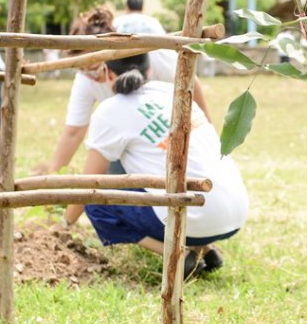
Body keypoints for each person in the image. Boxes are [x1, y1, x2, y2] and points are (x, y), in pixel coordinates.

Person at [63, 53, 248, 278]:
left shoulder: (110, 110)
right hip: (236, 214)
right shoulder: (173, 91)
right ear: (149, 70)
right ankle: (206, 250)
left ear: (108, 72)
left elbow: (88, 186)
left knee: (96, 202)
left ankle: (180, 256)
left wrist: (64, 224)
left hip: (198, 220)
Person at [35, 4, 211, 174]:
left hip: (162, 129)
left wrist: (211, 135)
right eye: (83, 68)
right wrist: (53, 176)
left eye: (96, 67)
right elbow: (73, 132)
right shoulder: (85, 79)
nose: (93, 76)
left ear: (111, 54)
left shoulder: (154, 56)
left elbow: (191, 85)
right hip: (127, 140)